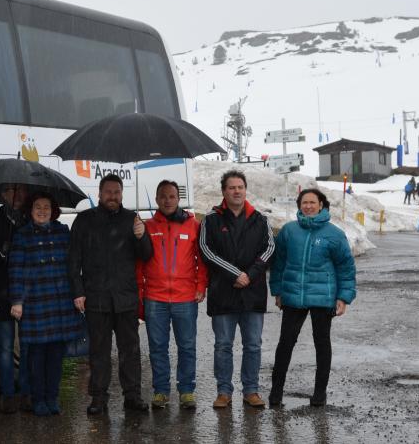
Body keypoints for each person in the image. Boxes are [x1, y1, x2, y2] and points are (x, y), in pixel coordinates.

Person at [69, 174, 153, 414]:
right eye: (108, 192)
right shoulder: (84, 220)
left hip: (125, 298)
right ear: (99, 193)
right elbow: (73, 260)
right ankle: (98, 398)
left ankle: (133, 396)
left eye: (117, 192)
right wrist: (78, 291)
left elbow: (146, 255)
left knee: (131, 351)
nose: (112, 196)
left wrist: (141, 235)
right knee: (99, 352)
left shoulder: (132, 219)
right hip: (96, 298)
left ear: (121, 194)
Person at [269, 189, 356, 407]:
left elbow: (346, 267)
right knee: (285, 344)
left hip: (323, 298)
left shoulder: (334, 234)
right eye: (304, 202)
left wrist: (343, 297)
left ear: (321, 205)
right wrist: (277, 291)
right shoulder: (289, 231)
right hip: (293, 297)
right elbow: (278, 264)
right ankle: (276, 392)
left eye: (312, 202)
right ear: (299, 205)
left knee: (322, 345)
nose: (308, 206)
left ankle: (319, 394)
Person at [199, 170, 275, 409]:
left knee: (253, 344)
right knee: (223, 345)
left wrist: (249, 276)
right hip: (224, 293)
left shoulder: (260, 219)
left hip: (252, 294)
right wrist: (236, 274)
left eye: (240, 187)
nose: (236, 191)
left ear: (245, 189)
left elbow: (270, 249)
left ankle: (251, 390)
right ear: (224, 191)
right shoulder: (211, 220)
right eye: (231, 187)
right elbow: (206, 251)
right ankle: (224, 391)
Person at [9, 191, 85, 417]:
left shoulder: (63, 232)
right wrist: (17, 301)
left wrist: (77, 293)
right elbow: (16, 270)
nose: (42, 211)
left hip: (60, 302)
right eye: (37, 207)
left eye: (46, 207)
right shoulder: (22, 235)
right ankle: (38, 399)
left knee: (56, 356)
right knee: (36, 357)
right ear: (30, 211)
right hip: (35, 303)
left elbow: (73, 266)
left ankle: (53, 398)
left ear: (53, 211)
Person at [136, 180, 208, 410]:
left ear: (179, 199)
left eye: (172, 196)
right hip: (155, 297)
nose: (167, 200)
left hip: (185, 297)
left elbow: (202, 260)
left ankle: (186, 390)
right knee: (157, 347)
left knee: (187, 346)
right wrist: (141, 291)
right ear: (156, 199)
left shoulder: (193, 225)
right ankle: (161, 391)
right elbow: (139, 262)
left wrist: (201, 285)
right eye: (163, 196)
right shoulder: (146, 226)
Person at [0, 184, 31, 413]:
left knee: (29, 345)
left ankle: (28, 392)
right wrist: (1, 253)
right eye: (13, 190)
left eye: (22, 191)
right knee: (4, 347)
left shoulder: (30, 220)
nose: (18, 195)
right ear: (3, 194)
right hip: (1, 293)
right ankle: (8, 394)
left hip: (28, 293)